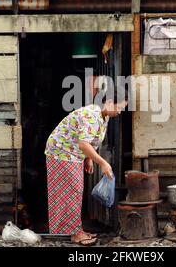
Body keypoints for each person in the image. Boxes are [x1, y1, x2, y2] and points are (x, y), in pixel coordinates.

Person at [44, 90, 128, 246]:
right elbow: (83, 144)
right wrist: (102, 162)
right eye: (119, 107)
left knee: (75, 190)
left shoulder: (104, 116)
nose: (120, 111)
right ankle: (75, 234)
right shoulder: (92, 116)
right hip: (61, 151)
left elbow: (91, 140)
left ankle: (76, 229)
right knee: (72, 190)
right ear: (109, 102)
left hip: (73, 153)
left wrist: (89, 158)